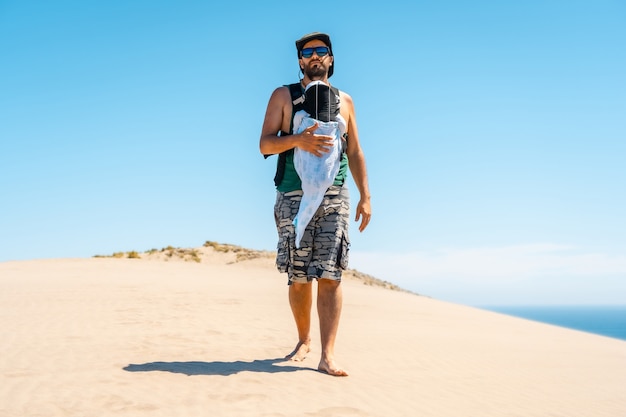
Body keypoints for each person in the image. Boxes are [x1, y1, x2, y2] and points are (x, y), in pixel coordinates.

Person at [259, 32, 371, 376]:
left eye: (322, 51)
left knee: (331, 275)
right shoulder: (284, 96)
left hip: (335, 195)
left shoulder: (345, 101)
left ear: (331, 59)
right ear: (300, 62)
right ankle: (303, 340)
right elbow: (265, 144)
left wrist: (366, 195)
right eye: (308, 53)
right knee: (299, 276)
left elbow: (354, 151)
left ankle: (327, 355)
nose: (315, 57)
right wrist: (297, 140)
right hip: (292, 195)